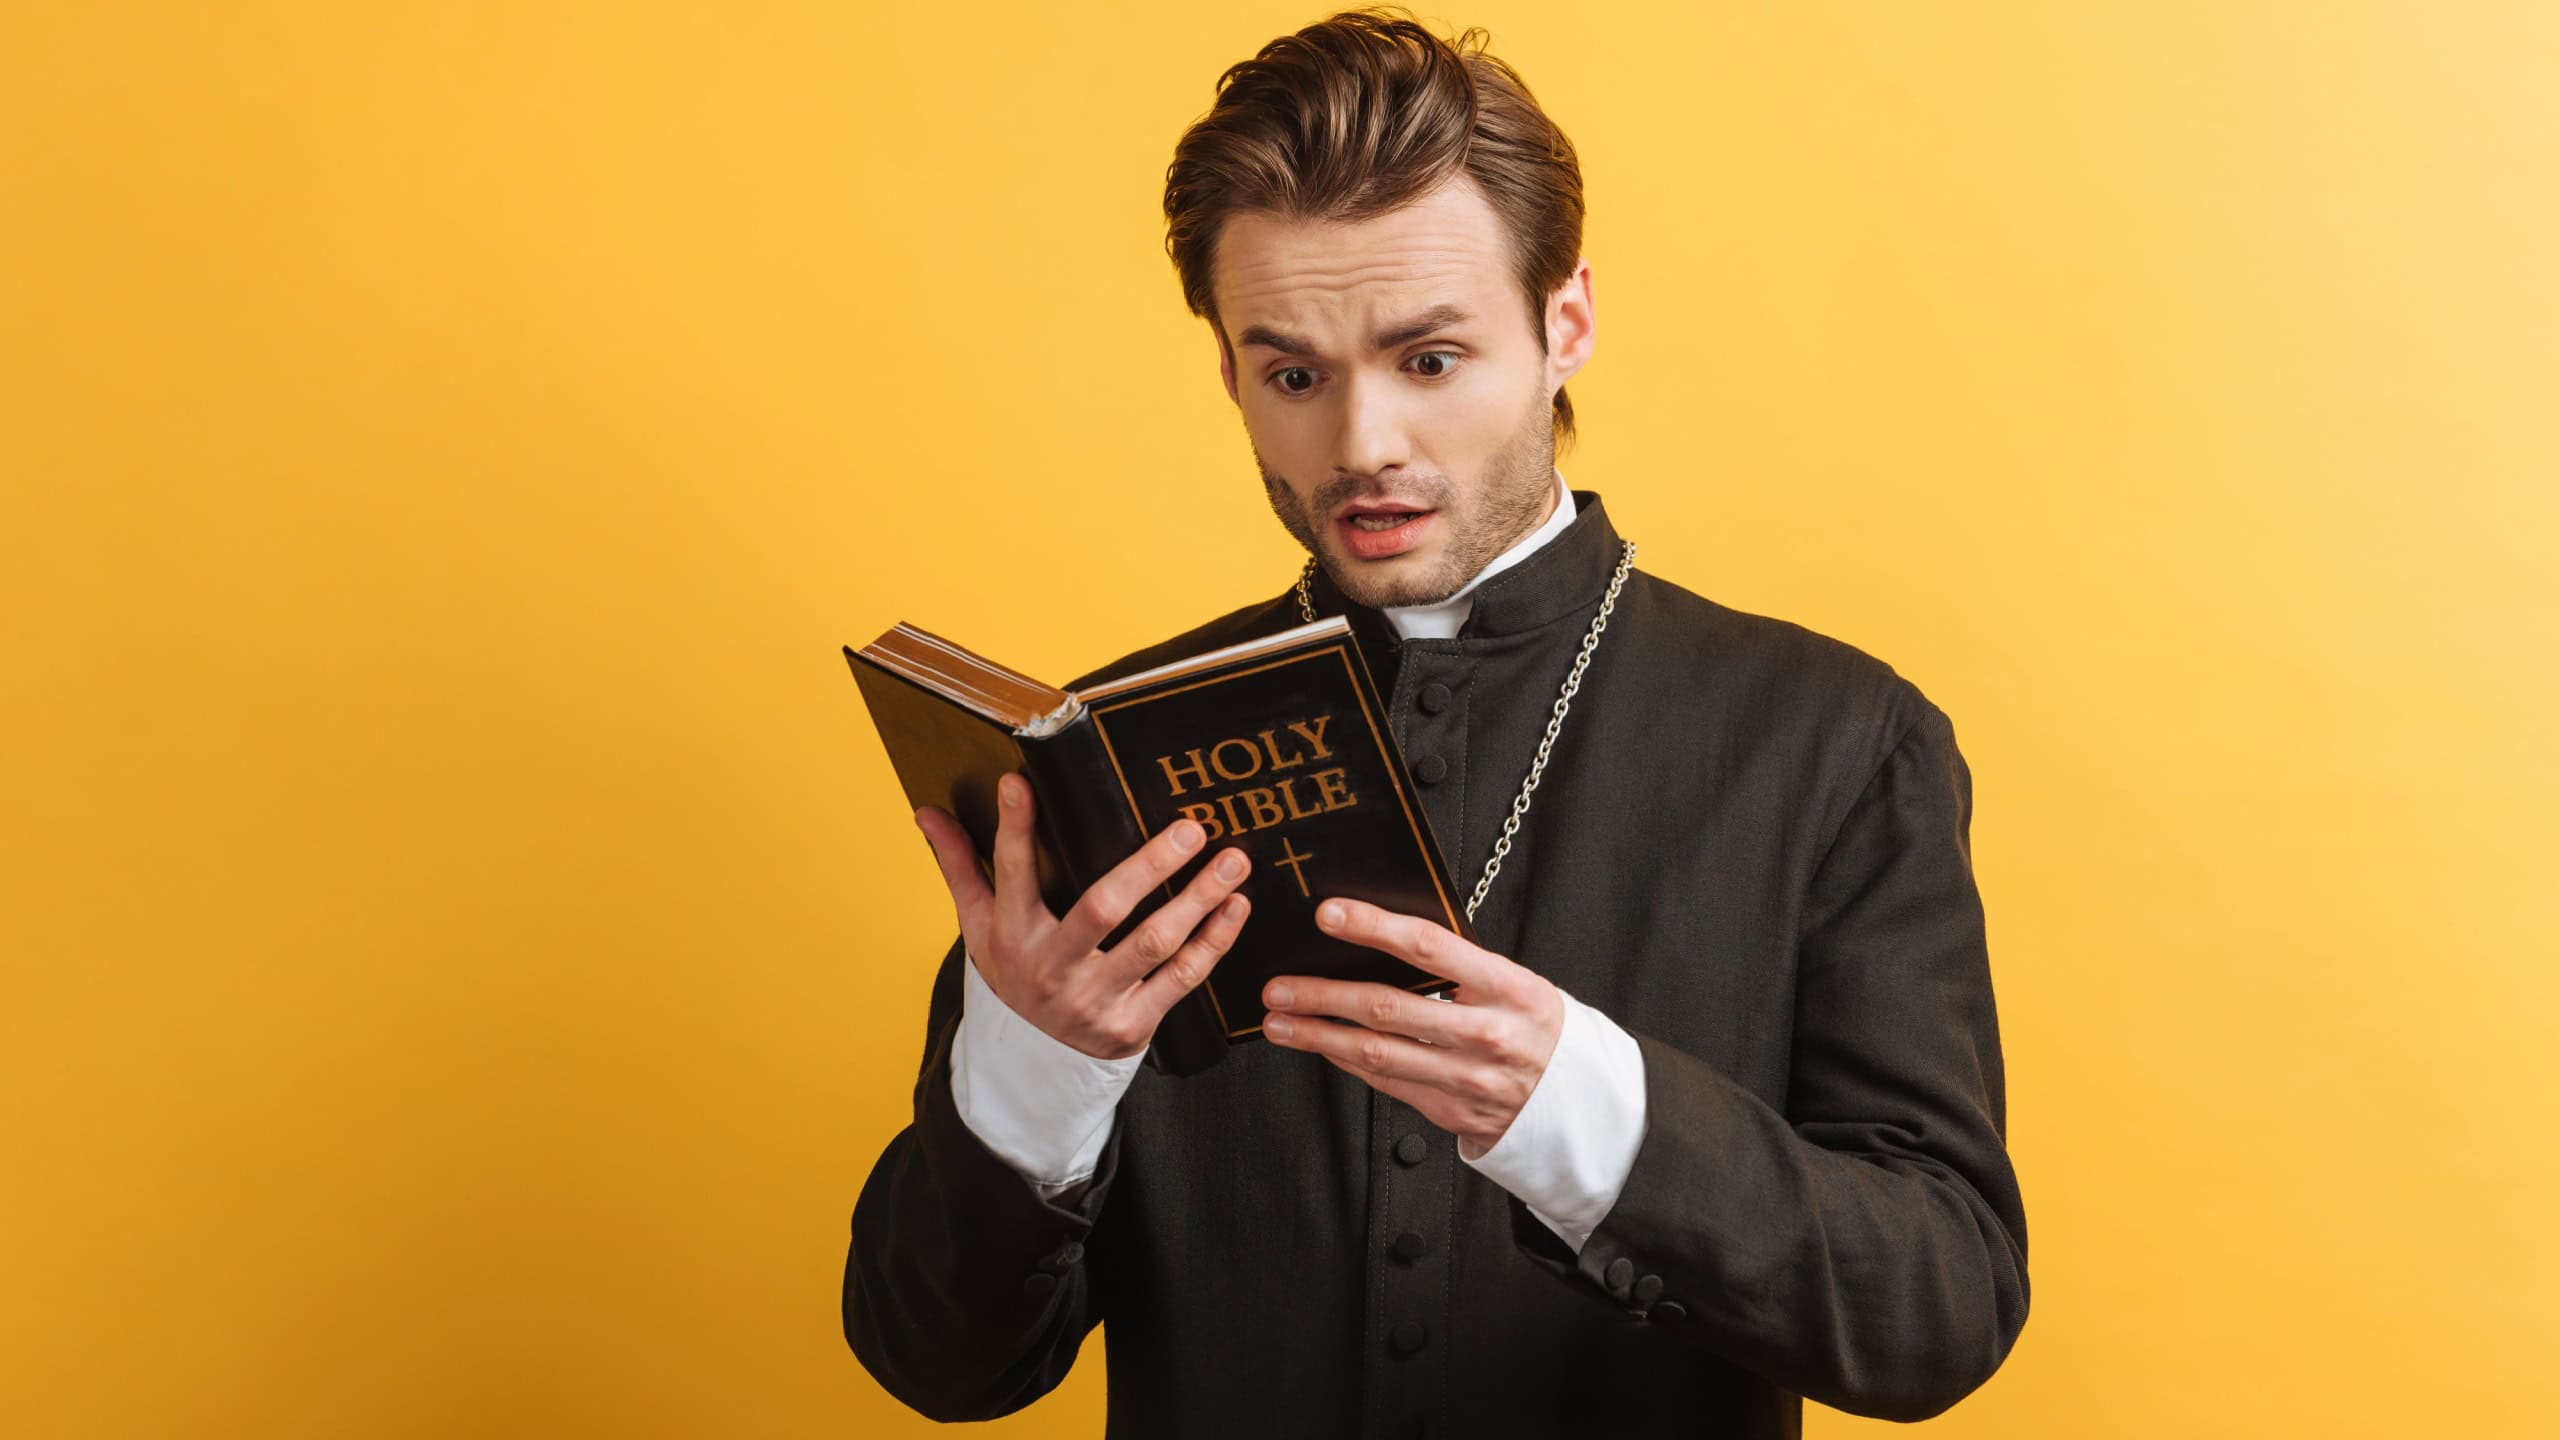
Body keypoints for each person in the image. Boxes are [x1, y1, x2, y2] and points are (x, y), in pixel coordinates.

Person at [841, 10, 2029, 1436]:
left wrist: (1583, 1109)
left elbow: (1939, 1313)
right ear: (1230, 372)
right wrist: (1038, 1066)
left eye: (1430, 360)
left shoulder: (1833, 739)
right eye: (1294, 375)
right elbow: (942, 1368)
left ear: (1564, 324)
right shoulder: (1109, 755)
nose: (1362, 448)